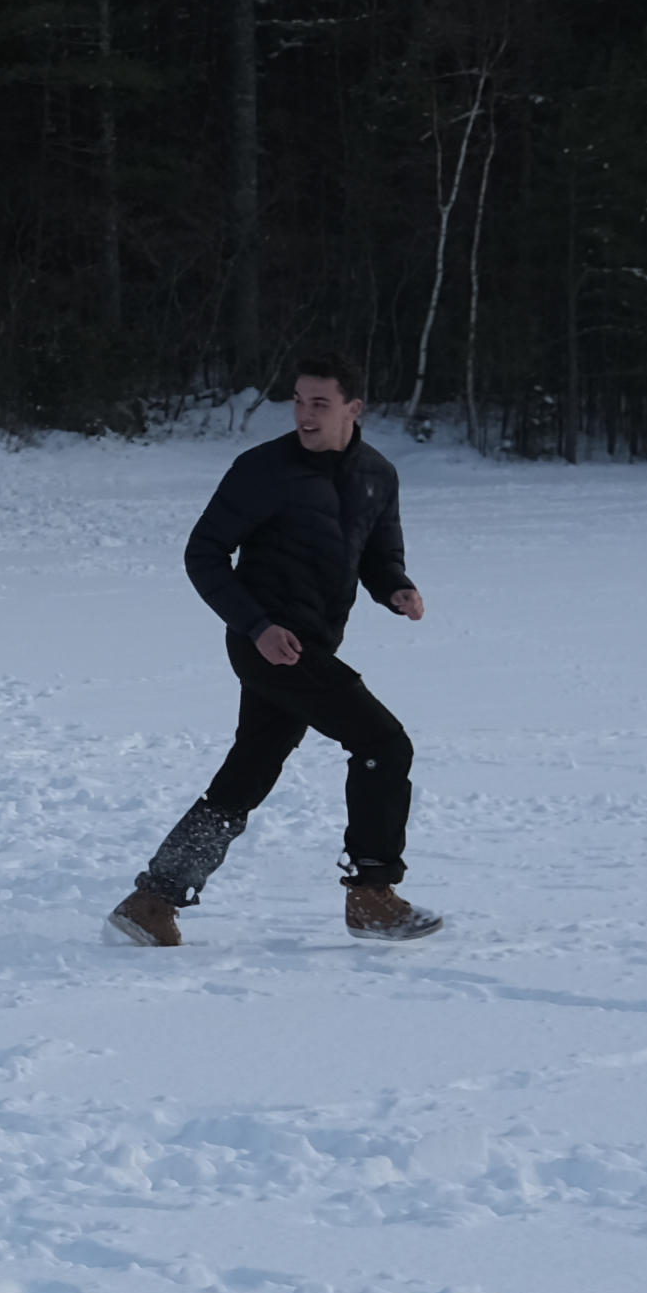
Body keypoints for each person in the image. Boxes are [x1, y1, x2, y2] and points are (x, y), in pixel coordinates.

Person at [110, 356, 443, 945]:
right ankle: (371, 893)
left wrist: (397, 587)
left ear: (353, 409)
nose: (306, 414)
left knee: (247, 775)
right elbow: (204, 554)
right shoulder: (262, 470)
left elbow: (377, 553)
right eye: (298, 401)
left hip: (312, 642)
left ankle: (151, 902)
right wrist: (258, 626)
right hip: (266, 645)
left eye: (320, 403)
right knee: (383, 744)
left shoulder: (376, 474)